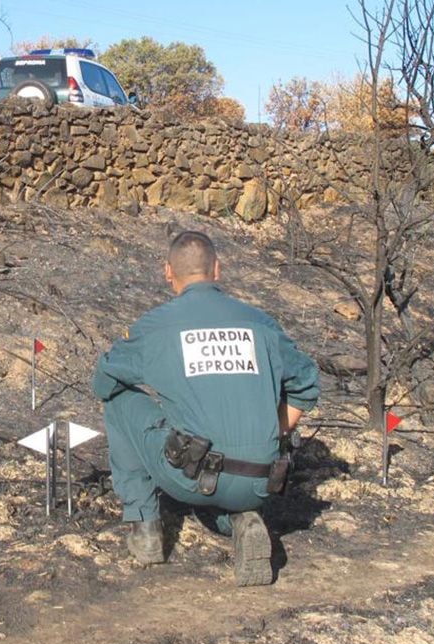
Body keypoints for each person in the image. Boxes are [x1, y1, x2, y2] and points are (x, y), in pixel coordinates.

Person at [91, 230, 320, 586]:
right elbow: (307, 384)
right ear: (218, 268)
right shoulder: (259, 322)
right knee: (222, 487)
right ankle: (243, 520)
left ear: (168, 271)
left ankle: (145, 528)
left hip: (193, 476)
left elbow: (103, 383)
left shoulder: (157, 326)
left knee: (119, 401)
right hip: (262, 480)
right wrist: (277, 431)